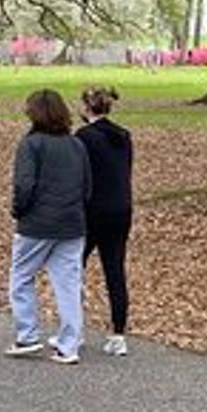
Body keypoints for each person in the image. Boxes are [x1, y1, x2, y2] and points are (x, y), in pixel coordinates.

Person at [5, 88, 92, 365]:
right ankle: (69, 344)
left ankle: (27, 334)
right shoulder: (76, 145)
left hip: (37, 224)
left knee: (21, 277)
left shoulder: (31, 144)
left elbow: (24, 184)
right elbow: (87, 186)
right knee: (67, 283)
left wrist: (19, 210)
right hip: (72, 223)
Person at [74, 85, 134, 356]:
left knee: (73, 268)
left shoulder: (84, 137)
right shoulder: (123, 136)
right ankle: (118, 334)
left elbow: (80, 175)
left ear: (87, 108)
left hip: (92, 210)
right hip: (121, 208)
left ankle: (73, 329)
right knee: (115, 270)